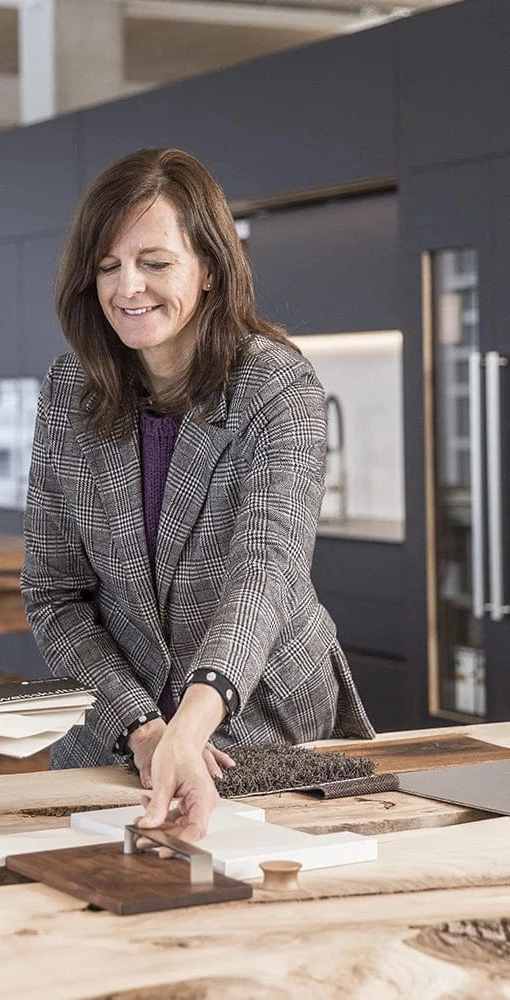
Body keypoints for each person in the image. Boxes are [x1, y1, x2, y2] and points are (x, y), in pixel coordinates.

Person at [21, 147, 374, 842]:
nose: (129, 288)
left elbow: (266, 573)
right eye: (108, 266)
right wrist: (142, 725)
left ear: (208, 268)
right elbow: (54, 594)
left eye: (156, 263)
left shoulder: (275, 386)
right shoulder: (71, 390)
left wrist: (193, 719)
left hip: (264, 718)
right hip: (118, 731)